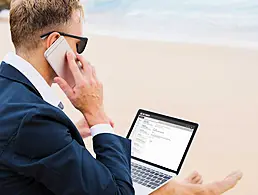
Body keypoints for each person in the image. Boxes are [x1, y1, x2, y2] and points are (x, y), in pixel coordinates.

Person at [0, 0, 242, 194]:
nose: (79, 53)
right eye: (79, 44)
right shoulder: (33, 121)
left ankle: (171, 190)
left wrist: (66, 131)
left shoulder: (11, 92)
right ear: (55, 43)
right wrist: (96, 113)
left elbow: (18, 147)